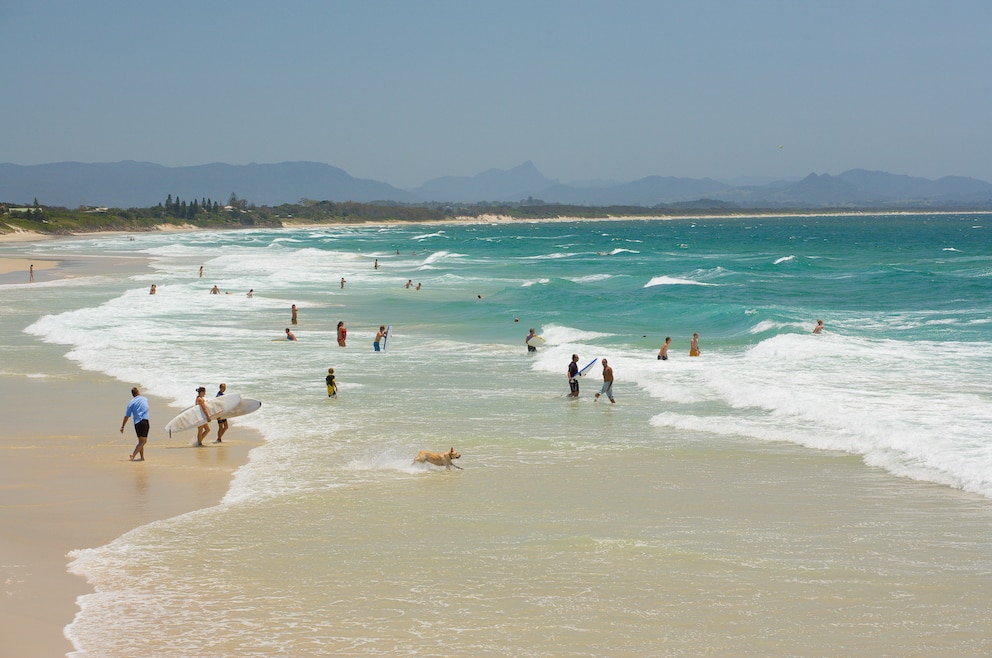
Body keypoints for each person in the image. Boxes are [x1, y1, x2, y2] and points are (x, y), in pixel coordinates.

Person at [121, 386, 150, 461]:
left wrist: (122, 426)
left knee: (140, 441)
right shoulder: (144, 399)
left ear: (133, 394)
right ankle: (133, 455)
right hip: (144, 421)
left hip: (137, 424)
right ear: (138, 392)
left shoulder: (131, 403)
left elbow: (127, 416)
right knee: (144, 441)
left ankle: (142, 457)